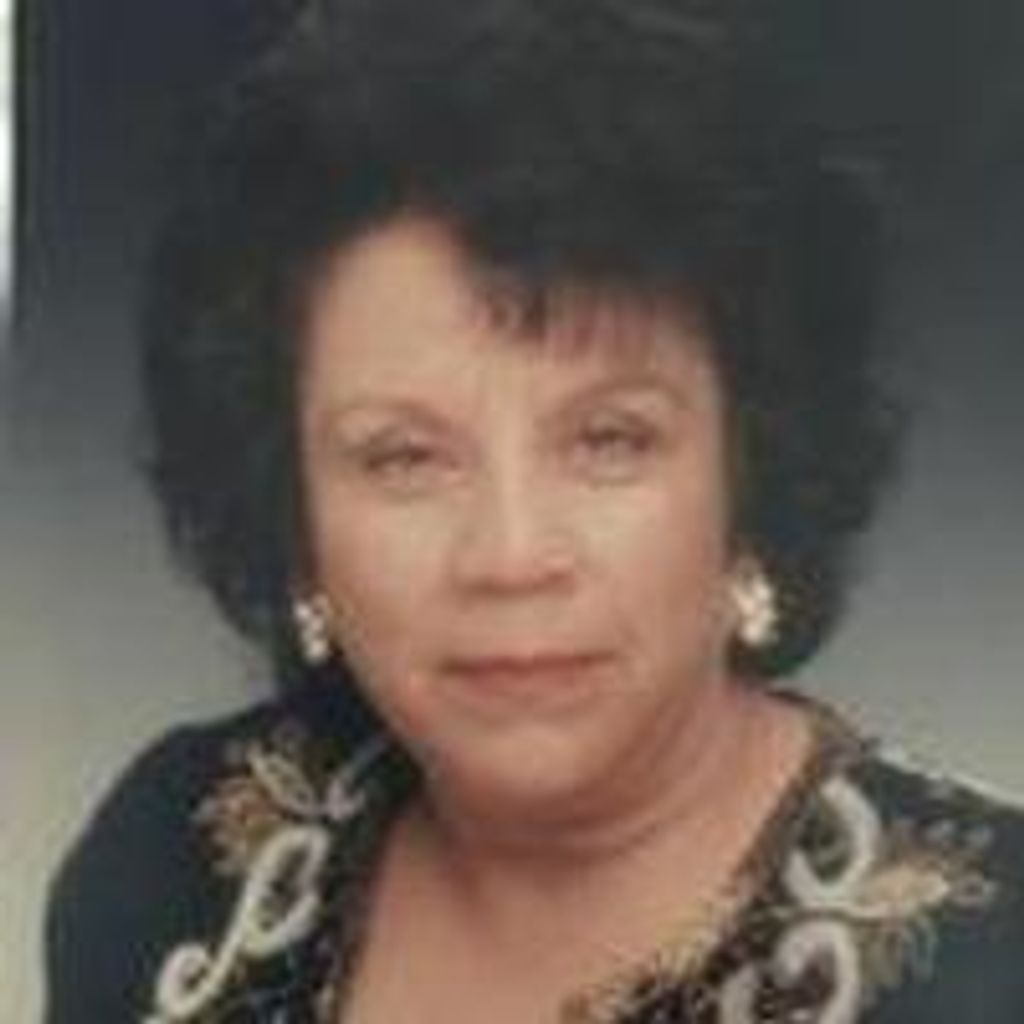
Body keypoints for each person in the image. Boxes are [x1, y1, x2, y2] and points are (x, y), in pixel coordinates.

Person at [44, 1, 1024, 1021]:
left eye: (609, 441)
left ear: (751, 479)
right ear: (295, 516)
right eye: (405, 457)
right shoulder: (176, 860)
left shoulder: (997, 961)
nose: (511, 555)